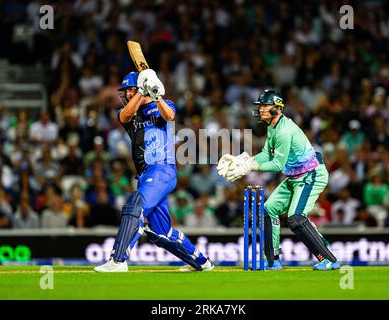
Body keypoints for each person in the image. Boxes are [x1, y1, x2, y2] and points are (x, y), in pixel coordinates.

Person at [94, 70, 213, 272]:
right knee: (160, 232)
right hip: (145, 175)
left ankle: (118, 260)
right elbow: (125, 114)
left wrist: (156, 96)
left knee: (134, 207)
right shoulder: (129, 114)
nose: (128, 95)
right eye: (128, 92)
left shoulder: (162, 104)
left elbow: (170, 115)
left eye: (131, 91)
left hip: (161, 169)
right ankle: (201, 262)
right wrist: (141, 90)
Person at [218, 89, 340, 271]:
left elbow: (277, 164)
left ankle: (329, 259)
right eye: (261, 107)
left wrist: (249, 167)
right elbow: (267, 153)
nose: (261, 110)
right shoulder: (272, 126)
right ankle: (272, 260)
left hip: (311, 175)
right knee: (268, 210)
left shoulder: (283, 130)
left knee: (296, 219)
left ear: (278, 108)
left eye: (265, 106)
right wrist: (247, 161)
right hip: (294, 177)